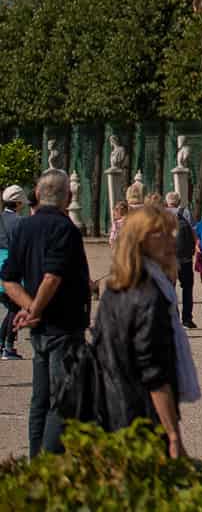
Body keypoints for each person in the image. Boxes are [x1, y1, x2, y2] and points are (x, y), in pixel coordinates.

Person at [92, 204, 196, 457]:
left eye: (170, 232)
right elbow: (153, 371)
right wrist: (172, 434)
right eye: (160, 233)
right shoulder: (150, 295)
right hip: (141, 415)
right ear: (140, 241)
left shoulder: (116, 289)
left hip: (111, 407)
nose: (172, 241)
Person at [2, 170, 93, 454]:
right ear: (68, 197)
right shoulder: (65, 229)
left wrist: (29, 308)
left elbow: (8, 279)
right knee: (63, 400)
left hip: (41, 329)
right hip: (63, 325)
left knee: (40, 401)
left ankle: (35, 462)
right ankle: (48, 469)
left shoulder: (25, 227)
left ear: (38, 195)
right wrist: (36, 309)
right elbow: (52, 277)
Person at [165, 192, 199, 329]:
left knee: (170, 289)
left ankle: (173, 318)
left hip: (168, 259)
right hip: (185, 258)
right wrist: (195, 249)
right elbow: (194, 232)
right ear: (179, 202)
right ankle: (187, 319)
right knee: (187, 288)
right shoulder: (185, 212)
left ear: (167, 202)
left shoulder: (162, 214)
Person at [0, 184, 25, 359]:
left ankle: (3, 344)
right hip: (11, 268)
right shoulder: (19, 222)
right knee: (16, 307)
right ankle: (8, 346)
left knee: (11, 308)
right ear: (17, 203)